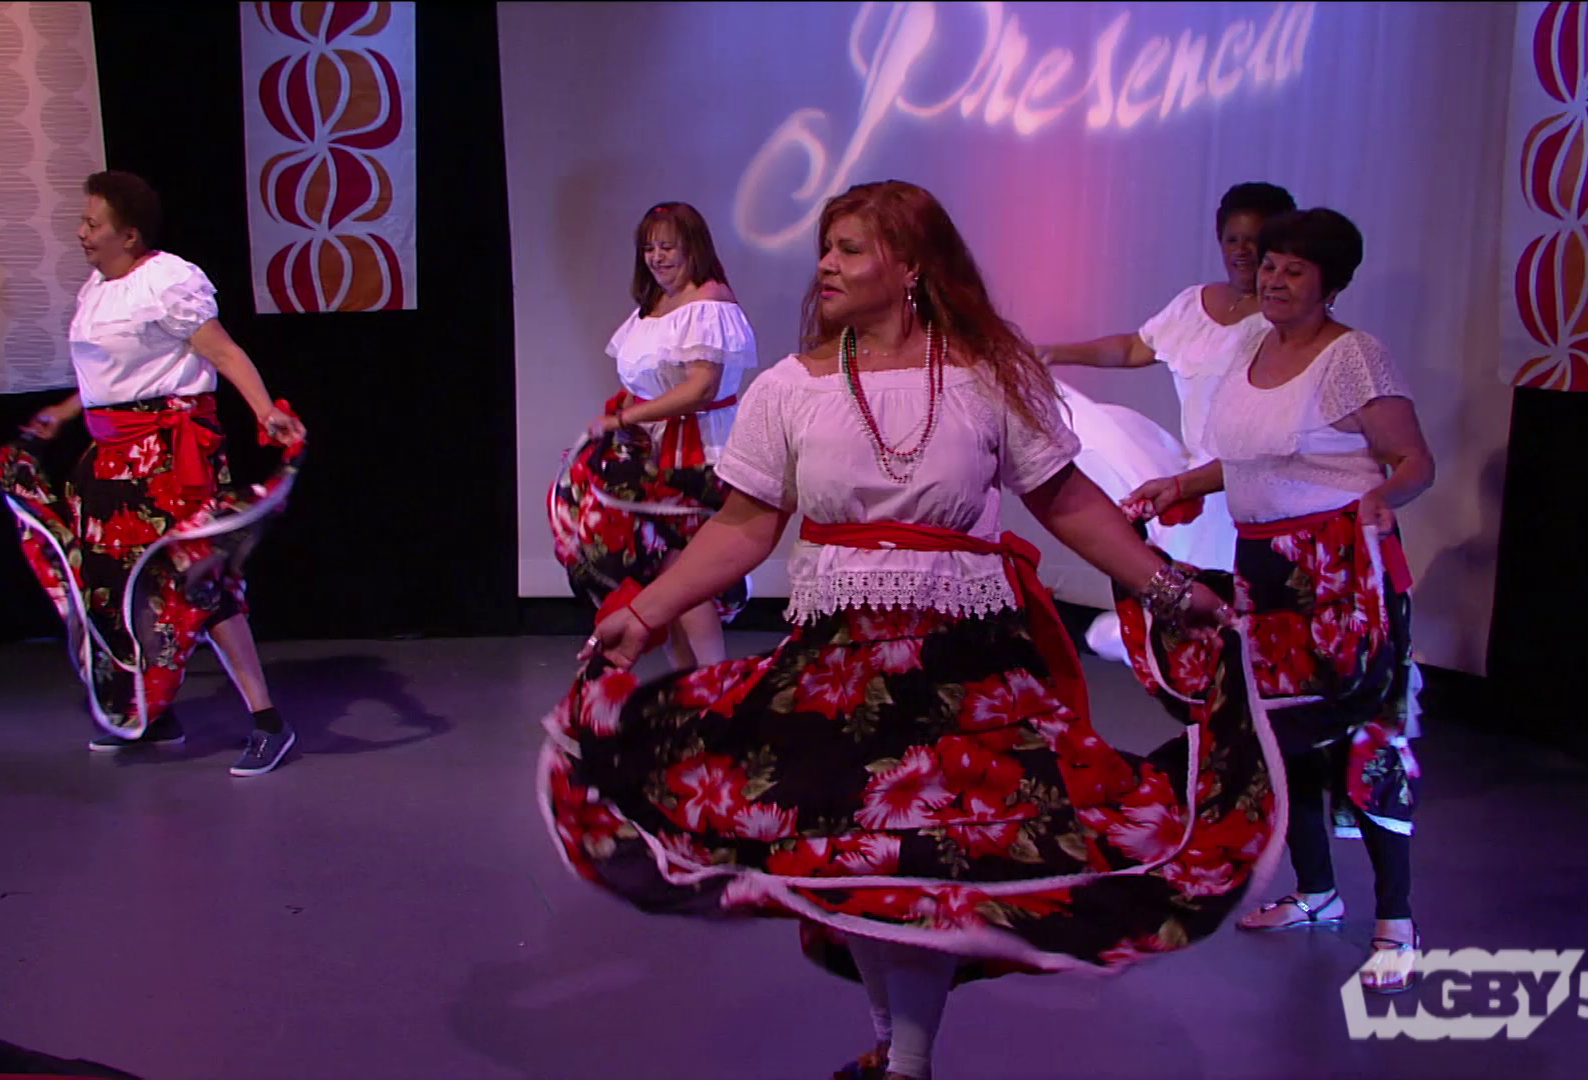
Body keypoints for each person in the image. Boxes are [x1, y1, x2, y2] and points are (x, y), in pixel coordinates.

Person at [542, 181, 1287, 1080]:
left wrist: (1168, 588)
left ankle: (909, 1063)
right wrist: (644, 611)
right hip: (839, 665)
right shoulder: (788, 388)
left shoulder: (984, 373)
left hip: (962, 667)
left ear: (912, 270)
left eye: (851, 248)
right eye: (827, 246)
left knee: (926, 869)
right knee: (860, 865)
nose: (826, 263)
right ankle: (896, 1046)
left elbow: (1066, 500)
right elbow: (742, 526)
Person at [1124, 208, 1433, 993]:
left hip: (1342, 574)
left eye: (1294, 270)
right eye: (1269, 266)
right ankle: (1315, 890)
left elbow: (1412, 459)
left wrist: (1384, 500)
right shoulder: (1253, 345)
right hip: (1264, 567)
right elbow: (1246, 458)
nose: (1274, 279)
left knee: (1367, 737)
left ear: (1332, 283)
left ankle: (1396, 919)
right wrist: (1182, 485)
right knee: (1279, 734)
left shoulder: (1354, 357)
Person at [0, 170, 307, 777]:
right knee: (119, 587)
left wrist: (265, 410)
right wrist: (63, 411)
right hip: (110, 464)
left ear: (129, 234)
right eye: (83, 221)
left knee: (200, 585)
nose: (81, 232)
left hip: (169, 462)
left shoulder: (166, 282)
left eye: (93, 223)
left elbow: (223, 352)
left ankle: (268, 720)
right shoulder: (98, 287)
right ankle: (151, 711)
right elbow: (107, 379)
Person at [1041, 182, 1296, 662]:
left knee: (1236, 585)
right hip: (1193, 461)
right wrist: (1057, 352)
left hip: (1250, 471)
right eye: (1232, 239)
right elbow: (1136, 347)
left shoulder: (1285, 319)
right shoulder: (1194, 303)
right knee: (1091, 430)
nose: (1242, 251)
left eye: (1256, 240)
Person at [549, 202, 758, 669]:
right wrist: (622, 422)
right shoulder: (652, 307)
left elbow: (700, 388)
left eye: (668, 246)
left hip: (701, 450)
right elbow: (642, 383)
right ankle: (688, 685)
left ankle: (710, 680)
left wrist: (624, 420)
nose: (658, 257)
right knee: (667, 570)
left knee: (687, 568)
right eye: (649, 247)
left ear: (693, 248)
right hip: (653, 450)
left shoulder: (707, 302)